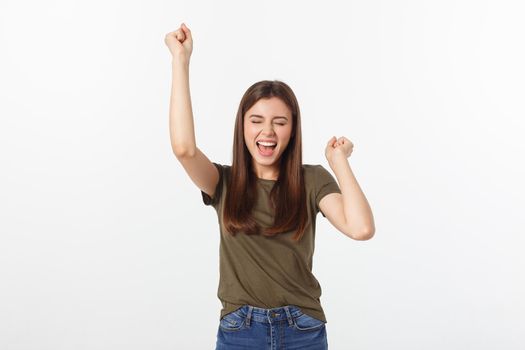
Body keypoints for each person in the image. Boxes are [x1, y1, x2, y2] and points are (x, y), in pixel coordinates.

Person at [165, 22, 375, 350]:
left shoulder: (312, 180)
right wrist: (181, 60)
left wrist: (339, 161)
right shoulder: (223, 182)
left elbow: (361, 228)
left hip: (302, 330)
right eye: (257, 121)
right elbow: (183, 149)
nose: (268, 132)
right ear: (242, 127)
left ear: (293, 130)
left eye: (280, 122)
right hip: (240, 331)